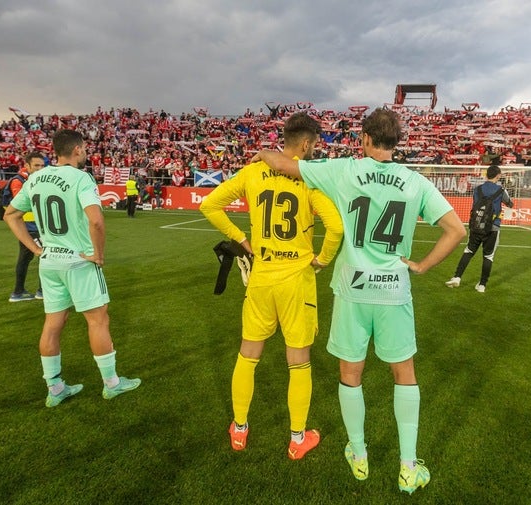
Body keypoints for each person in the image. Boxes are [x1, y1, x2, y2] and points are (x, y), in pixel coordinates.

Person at [254, 108, 467, 494]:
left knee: (350, 375)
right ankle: (407, 467)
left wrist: (261, 155)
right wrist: (420, 266)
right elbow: (456, 230)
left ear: (365, 139)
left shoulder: (344, 170)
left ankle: (359, 455)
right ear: (394, 143)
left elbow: (286, 165)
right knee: (404, 374)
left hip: (352, 290)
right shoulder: (415, 181)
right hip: (393, 291)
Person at [200, 113, 343, 460]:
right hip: (296, 282)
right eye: (315, 145)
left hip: (261, 278)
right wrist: (321, 259)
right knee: (298, 360)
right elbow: (336, 227)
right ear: (307, 144)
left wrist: (240, 239)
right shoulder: (309, 179)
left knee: (248, 355)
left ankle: (239, 429)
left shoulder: (252, 172)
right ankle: (297, 438)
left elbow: (209, 204)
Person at [4, 130, 140, 407]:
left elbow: (11, 214)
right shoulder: (81, 178)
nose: (86, 151)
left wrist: (35, 249)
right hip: (78, 261)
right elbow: (97, 221)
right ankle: (111, 384)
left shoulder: (35, 178)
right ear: (77, 149)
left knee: (53, 325)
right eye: (85, 147)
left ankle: (55, 388)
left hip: (49, 261)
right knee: (98, 320)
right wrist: (98, 254)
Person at [445, 164, 515, 293]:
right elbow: (510, 204)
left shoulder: (477, 189)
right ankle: (482, 285)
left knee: (469, 251)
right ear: (498, 175)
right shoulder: (501, 190)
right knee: (488, 256)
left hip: (476, 225)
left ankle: (457, 277)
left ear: (486, 174)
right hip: (493, 227)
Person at [8, 152, 46, 302]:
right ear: (27, 166)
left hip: (33, 226)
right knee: (45, 256)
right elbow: (21, 202)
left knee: (25, 258)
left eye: (42, 165)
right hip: (29, 228)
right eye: (36, 165)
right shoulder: (19, 182)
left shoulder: (35, 180)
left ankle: (18, 292)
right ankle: (41, 291)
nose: (40, 168)